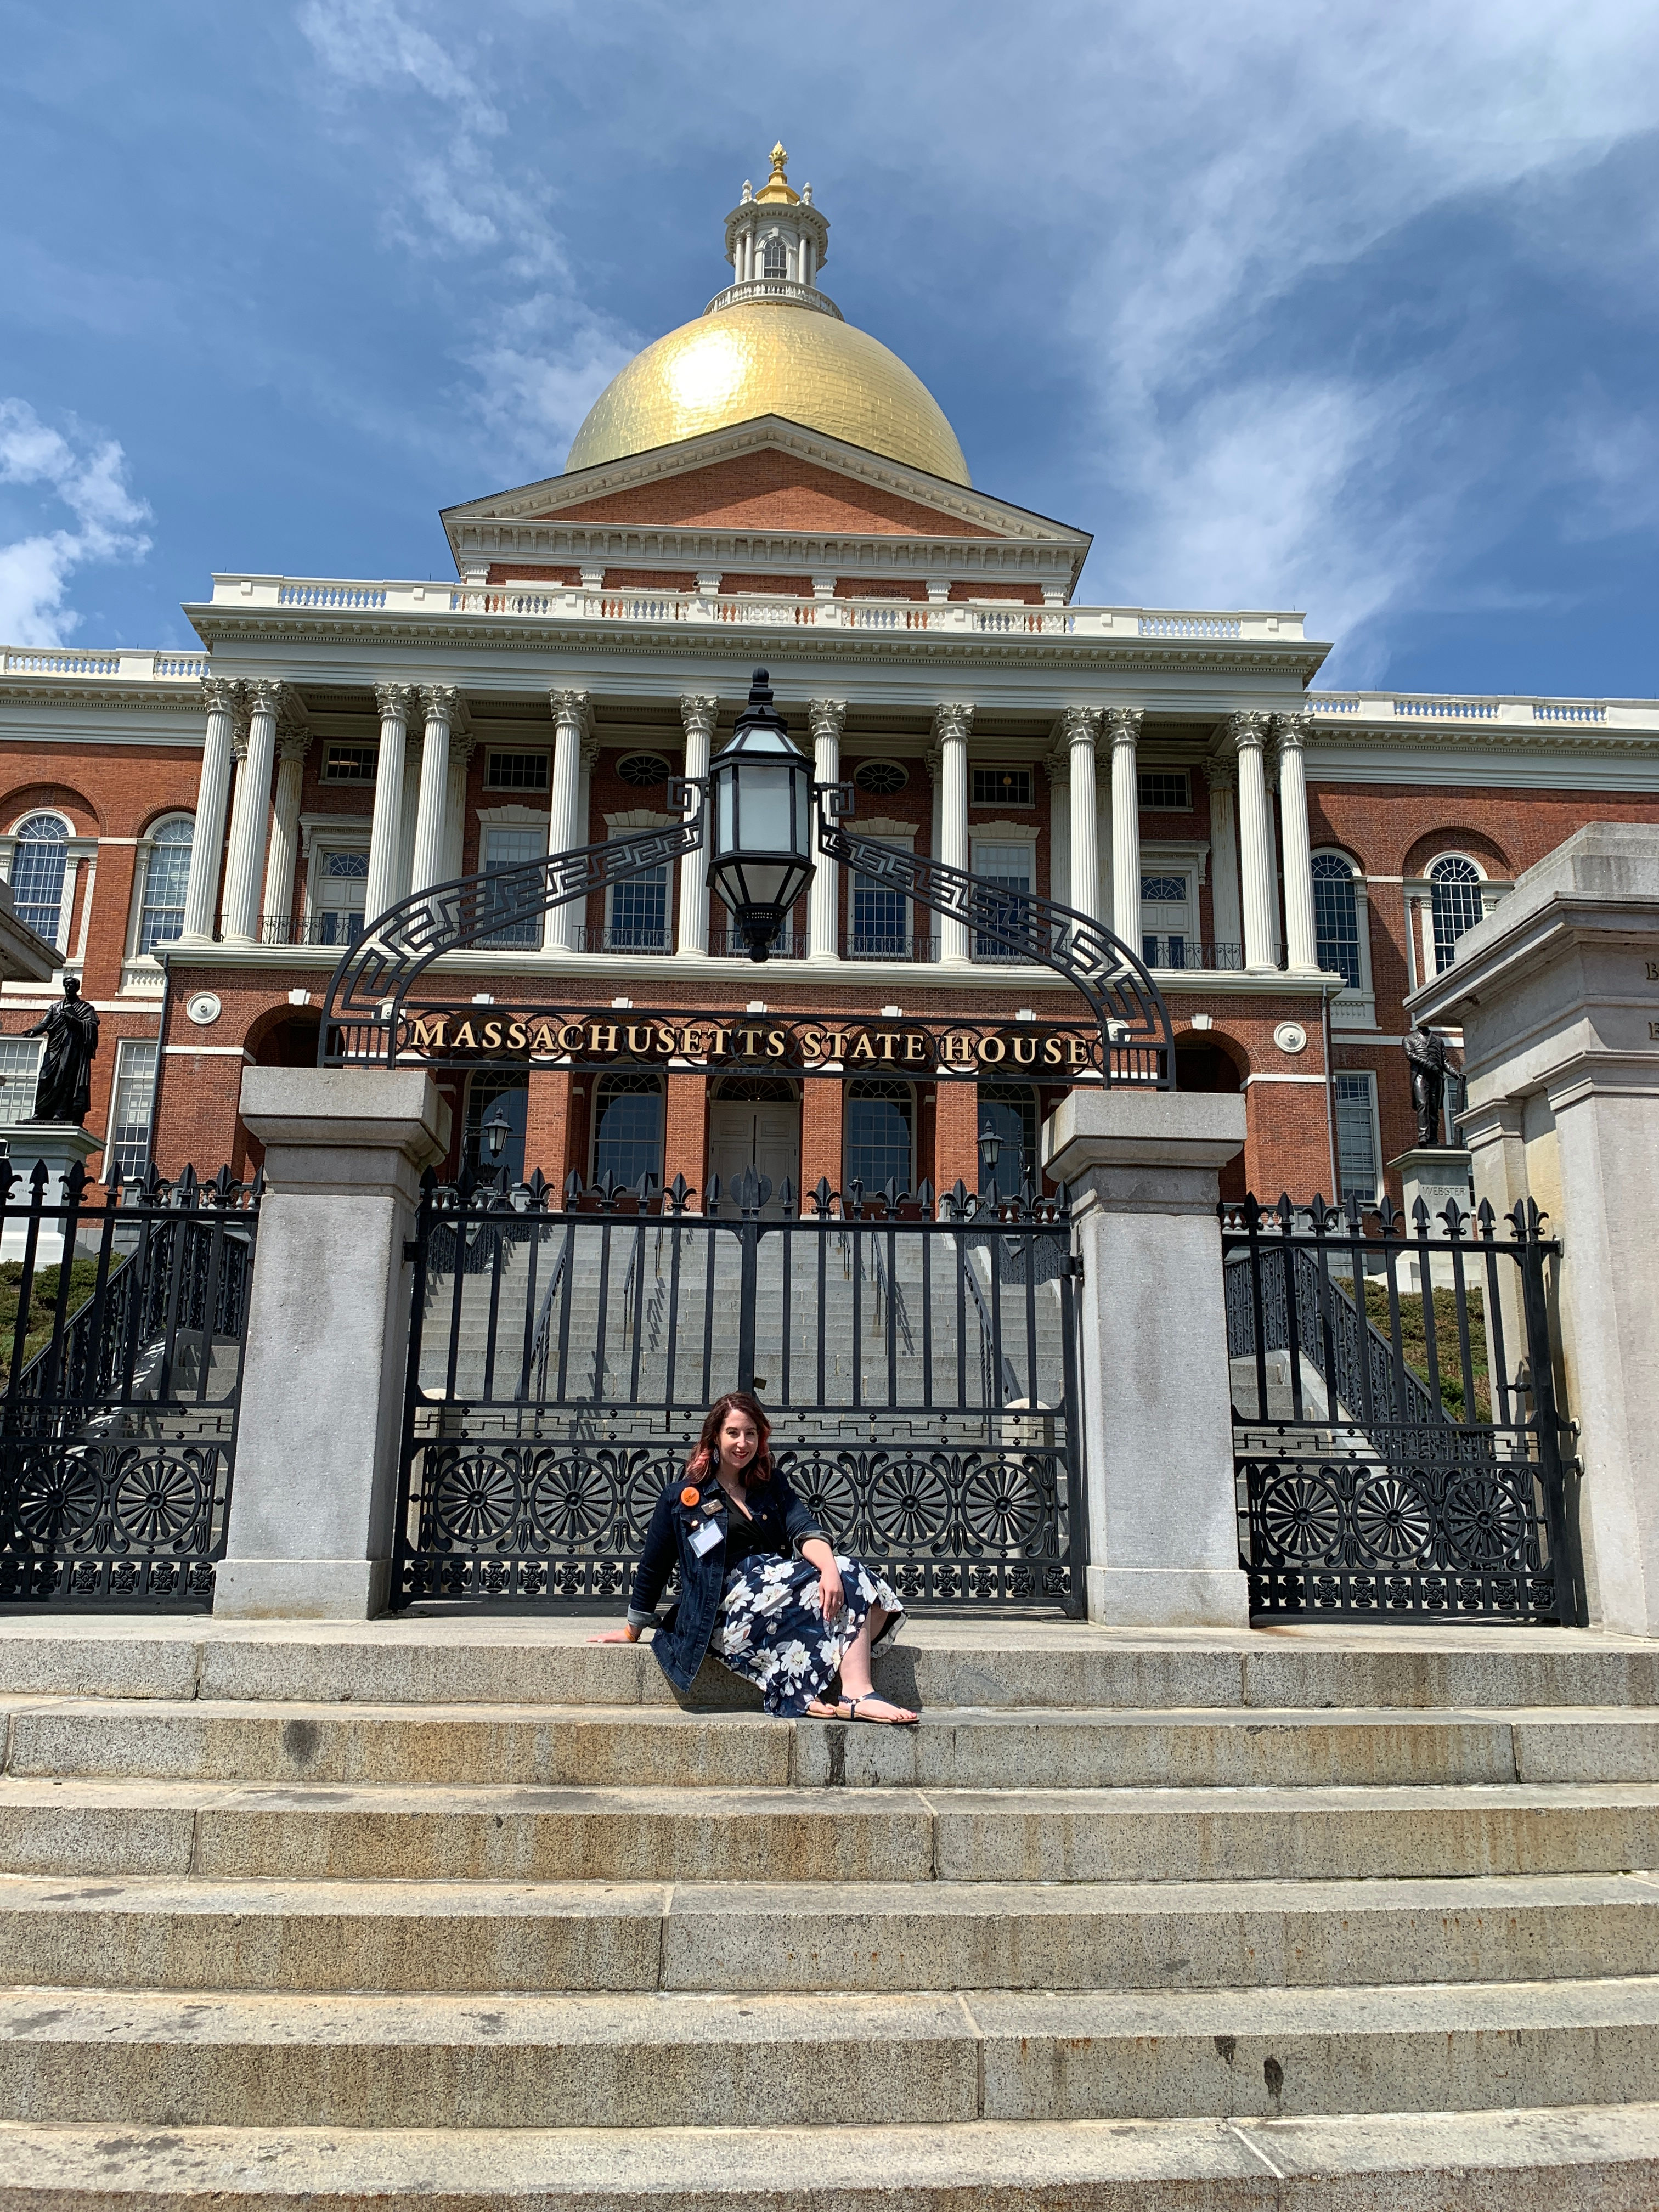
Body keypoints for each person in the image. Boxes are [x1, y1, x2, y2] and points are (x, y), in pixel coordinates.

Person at [591, 1390, 917, 1724]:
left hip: (774, 1593)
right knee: (850, 1583)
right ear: (715, 1437)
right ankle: (852, 1692)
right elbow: (653, 1567)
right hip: (723, 1612)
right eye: (733, 1433)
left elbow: (804, 1529)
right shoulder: (682, 1497)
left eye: (751, 1434)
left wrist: (829, 1568)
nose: (742, 1443)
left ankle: (821, 1690)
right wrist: (632, 1629)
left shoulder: (771, 1483)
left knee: (860, 1589)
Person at [22, 977, 99, 1127]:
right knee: (45, 1078)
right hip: (54, 1048)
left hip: (71, 1050)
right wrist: (33, 1031)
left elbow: (91, 1027)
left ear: (77, 988)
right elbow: (44, 1023)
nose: (68, 988)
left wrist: (73, 1020)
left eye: (71, 986)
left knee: (65, 1080)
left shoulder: (86, 1008)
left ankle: (61, 1113)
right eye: (66, 985)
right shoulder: (55, 1007)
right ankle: (41, 1112)